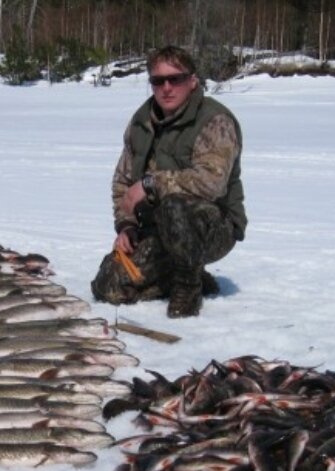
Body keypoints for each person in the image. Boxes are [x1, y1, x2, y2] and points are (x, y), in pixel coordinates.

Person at [90, 45, 247, 318]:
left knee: (174, 205)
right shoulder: (141, 122)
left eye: (175, 79)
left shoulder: (215, 121)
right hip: (160, 230)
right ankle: (183, 272)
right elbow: (123, 182)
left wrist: (152, 185)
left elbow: (212, 183)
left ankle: (187, 288)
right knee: (108, 287)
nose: (167, 87)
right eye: (158, 80)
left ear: (193, 81)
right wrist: (126, 225)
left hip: (213, 227)